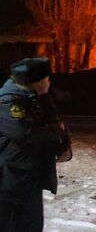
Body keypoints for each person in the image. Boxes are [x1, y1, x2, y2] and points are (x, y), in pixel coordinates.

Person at [0, 57, 72, 231]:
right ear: (36, 82)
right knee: (13, 224)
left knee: (32, 225)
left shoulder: (34, 97)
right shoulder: (8, 101)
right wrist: (57, 130)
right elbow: (25, 133)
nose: (49, 82)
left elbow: (50, 121)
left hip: (29, 175)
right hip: (11, 177)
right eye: (46, 78)